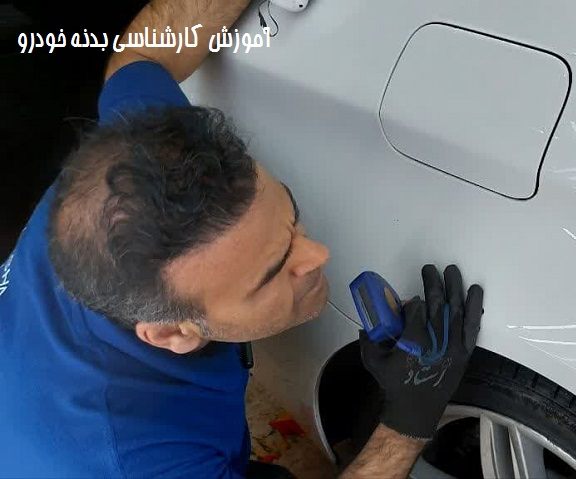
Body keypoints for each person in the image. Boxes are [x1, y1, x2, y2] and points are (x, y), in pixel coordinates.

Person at [0, 0, 485, 477]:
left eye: (291, 218)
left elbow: (141, 56)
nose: (318, 255)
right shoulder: (137, 457)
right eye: (273, 271)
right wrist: (408, 421)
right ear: (172, 333)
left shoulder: (133, 174)